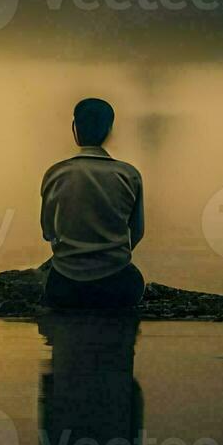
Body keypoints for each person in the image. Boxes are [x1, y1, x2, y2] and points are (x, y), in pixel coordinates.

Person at [39, 98, 145, 309]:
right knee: (133, 279)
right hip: (116, 283)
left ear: (75, 128)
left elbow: (48, 231)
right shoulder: (128, 175)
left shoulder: (56, 174)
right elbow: (137, 232)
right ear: (109, 130)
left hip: (65, 284)